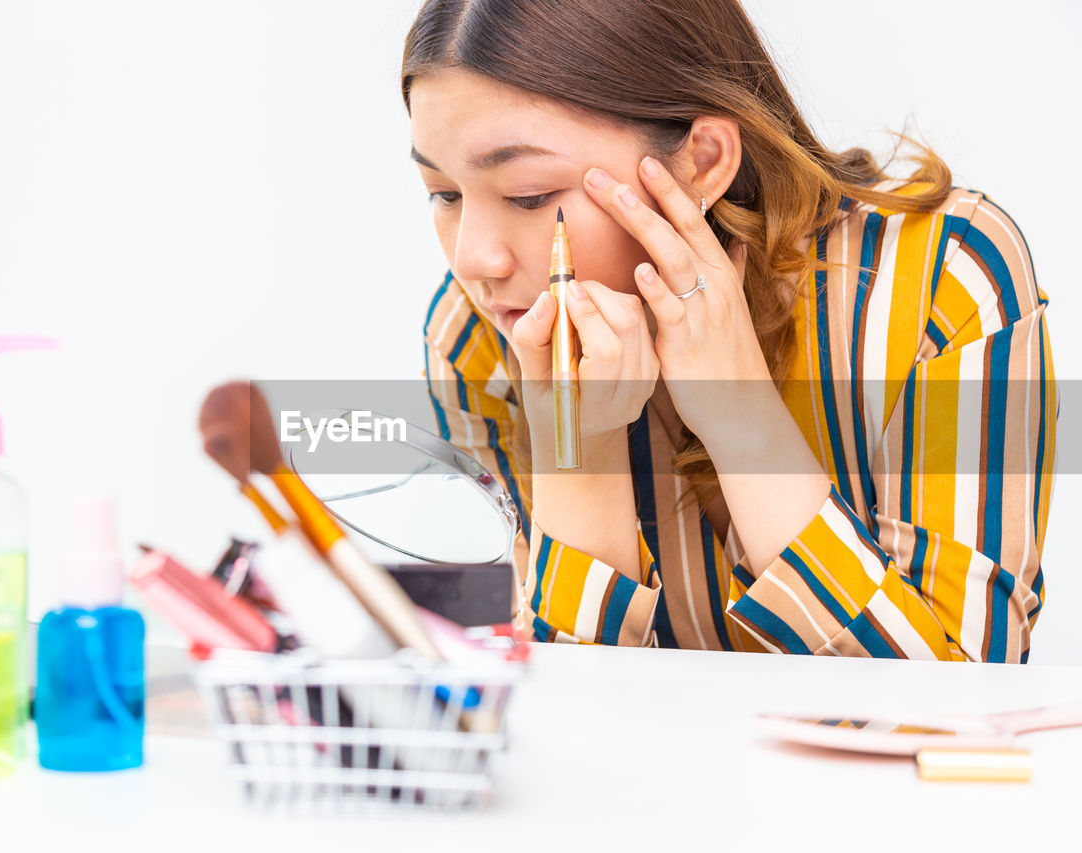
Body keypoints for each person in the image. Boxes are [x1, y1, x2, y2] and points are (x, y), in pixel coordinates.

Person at [404, 0, 1056, 660]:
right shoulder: (475, 340)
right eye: (444, 193)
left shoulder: (941, 283)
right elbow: (551, 724)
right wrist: (580, 444)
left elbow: (966, 692)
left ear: (702, 161)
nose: (474, 260)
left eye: (528, 194)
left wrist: (741, 416)